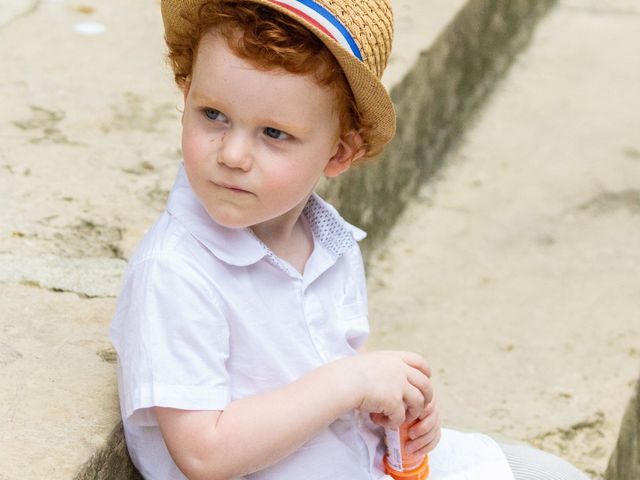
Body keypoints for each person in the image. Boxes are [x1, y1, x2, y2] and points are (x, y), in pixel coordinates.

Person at [110, 1, 591, 479]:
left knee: (546, 472)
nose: (233, 154)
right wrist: (348, 382)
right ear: (187, 93)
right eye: (213, 115)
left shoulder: (327, 241)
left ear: (339, 152)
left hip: (353, 459)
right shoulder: (176, 272)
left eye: (273, 133)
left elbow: (334, 366)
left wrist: (390, 405)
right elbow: (203, 454)